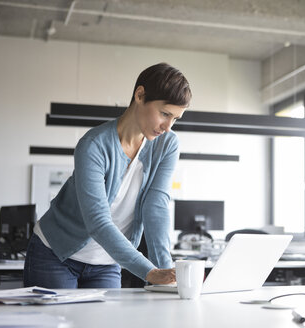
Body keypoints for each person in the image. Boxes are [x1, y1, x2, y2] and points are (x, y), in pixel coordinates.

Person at [23, 62, 191, 288]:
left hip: (108, 262)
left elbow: (156, 206)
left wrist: (168, 276)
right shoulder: (94, 145)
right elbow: (98, 222)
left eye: (175, 119)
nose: (168, 126)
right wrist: (149, 272)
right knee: (55, 324)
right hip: (55, 255)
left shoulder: (167, 144)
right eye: (164, 113)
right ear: (140, 95)